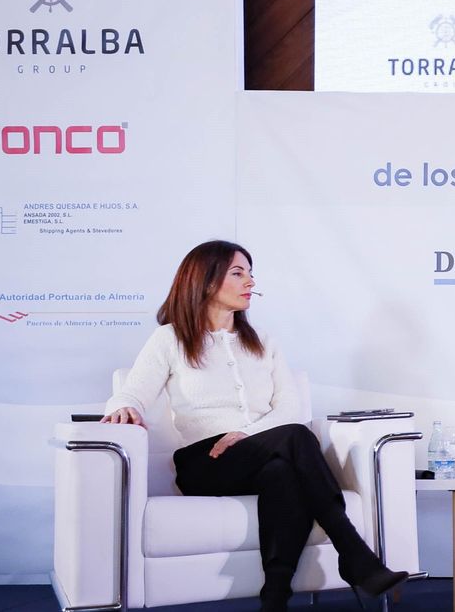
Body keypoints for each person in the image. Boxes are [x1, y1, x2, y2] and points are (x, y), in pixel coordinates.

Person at [103, 240, 407, 612]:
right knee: (295, 439)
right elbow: (134, 391)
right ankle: (355, 556)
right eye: (238, 273)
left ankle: (275, 597)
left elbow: (290, 407)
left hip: (263, 455)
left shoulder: (263, 341)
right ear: (206, 279)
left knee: (282, 470)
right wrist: (123, 407)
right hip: (207, 462)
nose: (250, 282)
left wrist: (248, 434)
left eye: (251, 273)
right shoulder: (170, 339)